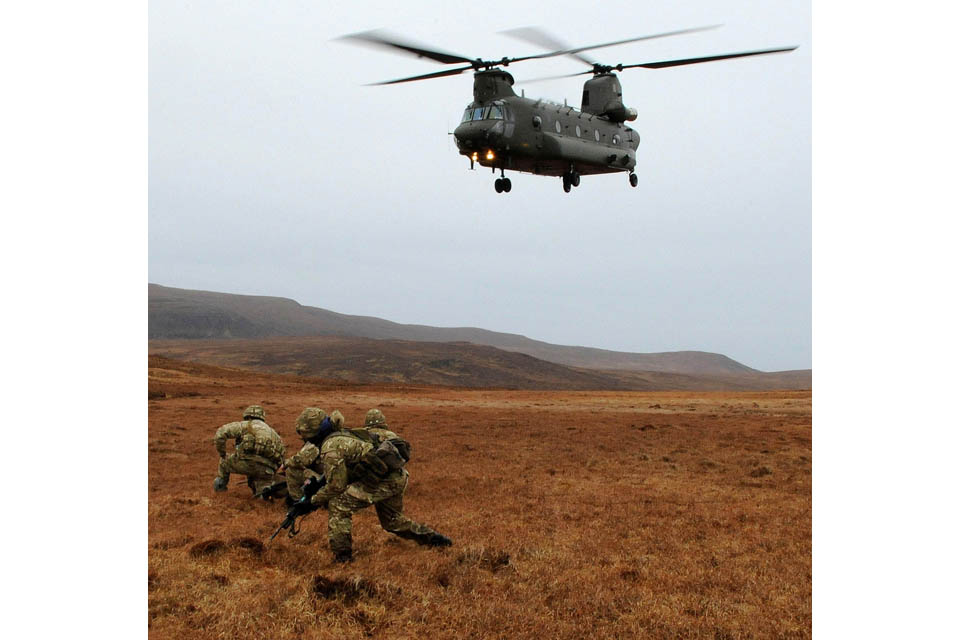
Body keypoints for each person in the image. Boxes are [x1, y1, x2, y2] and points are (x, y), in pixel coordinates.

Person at [296, 407, 453, 563]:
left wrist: (312, 502)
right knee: (392, 521)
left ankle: (342, 558)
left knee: (338, 504)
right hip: (396, 476)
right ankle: (435, 539)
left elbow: (337, 486)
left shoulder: (330, 447)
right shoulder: (342, 434)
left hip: (384, 480)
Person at [212, 405, 286, 497]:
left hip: (247, 463)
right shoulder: (274, 434)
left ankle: (220, 491)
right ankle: (263, 496)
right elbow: (282, 457)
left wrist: (222, 453)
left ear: (248, 417)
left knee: (223, 462)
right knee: (262, 492)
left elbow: (220, 434)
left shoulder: (246, 425)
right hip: (267, 470)